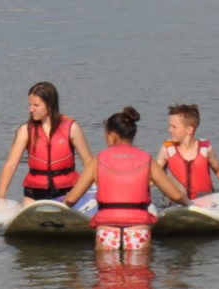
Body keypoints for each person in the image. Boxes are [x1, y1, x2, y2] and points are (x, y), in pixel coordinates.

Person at [62, 107, 189, 253]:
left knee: (107, 273)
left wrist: (60, 209)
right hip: (138, 231)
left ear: (112, 135)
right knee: (139, 274)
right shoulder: (147, 159)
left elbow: (72, 198)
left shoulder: (98, 160)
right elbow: (176, 195)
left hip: (107, 232)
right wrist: (190, 204)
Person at [0, 81, 96, 201]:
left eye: (36, 105)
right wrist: (1, 199)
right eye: (30, 105)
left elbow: (89, 162)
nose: (31, 109)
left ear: (49, 105)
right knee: (27, 203)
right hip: (35, 194)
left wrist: (99, 191)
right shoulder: (25, 130)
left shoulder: (72, 128)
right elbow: (10, 165)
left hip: (68, 192)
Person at [157, 103, 219, 198]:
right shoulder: (166, 149)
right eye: (169, 126)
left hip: (204, 202)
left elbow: (218, 170)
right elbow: (154, 176)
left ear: (189, 130)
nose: (169, 130)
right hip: (175, 205)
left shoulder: (206, 149)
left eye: (174, 127)